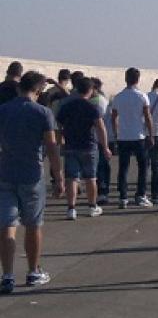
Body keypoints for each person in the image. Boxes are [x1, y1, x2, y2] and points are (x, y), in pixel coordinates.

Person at [0, 72, 64, 293]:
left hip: (6, 172)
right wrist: (58, 177)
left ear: (19, 87)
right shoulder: (43, 113)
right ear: (38, 91)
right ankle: (32, 271)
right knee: (33, 224)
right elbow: (52, 147)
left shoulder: (4, 110)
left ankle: (7, 275)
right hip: (32, 175)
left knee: (8, 226)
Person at [56, 77, 113, 220]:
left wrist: (60, 139)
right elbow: (101, 128)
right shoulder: (91, 107)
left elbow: (58, 124)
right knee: (91, 178)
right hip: (89, 145)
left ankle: (71, 208)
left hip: (71, 145)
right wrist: (105, 146)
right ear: (90, 90)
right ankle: (92, 206)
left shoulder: (67, 106)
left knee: (72, 178)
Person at [110, 67, 155, 208]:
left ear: (126, 79)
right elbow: (148, 117)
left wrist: (116, 132)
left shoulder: (118, 97)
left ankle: (123, 197)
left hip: (123, 137)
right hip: (139, 136)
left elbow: (113, 117)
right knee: (143, 166)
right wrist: (151, 134)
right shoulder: (142, 96)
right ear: (138, 79)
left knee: (123, 168)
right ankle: (140, 195)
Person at [91, 77, 112, 205]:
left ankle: (102, 192)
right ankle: (101, 192)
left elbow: (101, 124)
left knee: (101, 167)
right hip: (99, 138)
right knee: (99, 167)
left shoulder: (98, 102)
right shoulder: (100, 100)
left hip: (99, 138)